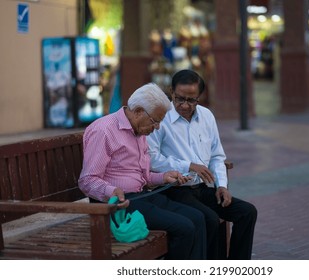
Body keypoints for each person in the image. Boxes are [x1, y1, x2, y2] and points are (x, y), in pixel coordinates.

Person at [78, 83, 207, 260]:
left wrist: (163, 177)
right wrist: (112, 191)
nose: (157, 127)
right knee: (184, 227)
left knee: (198, 218)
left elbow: (143, 178)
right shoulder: (104, 131)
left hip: (141, 196)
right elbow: (87, 180)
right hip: (118, 204)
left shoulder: (138, 131)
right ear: (138, 111)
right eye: (155, 121)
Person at [147, 69, 257, 260]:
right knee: (210, 219)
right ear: (171, 92)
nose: (185, 105)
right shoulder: (161, 118)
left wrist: (221, 185)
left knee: (247, 212)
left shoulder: (206, 116)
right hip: (173, 189)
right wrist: (188, 165)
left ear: (199, 97)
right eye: (179, 99)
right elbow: (152, 159)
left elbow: (217, 155)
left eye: (191, 100)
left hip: (202, 188)